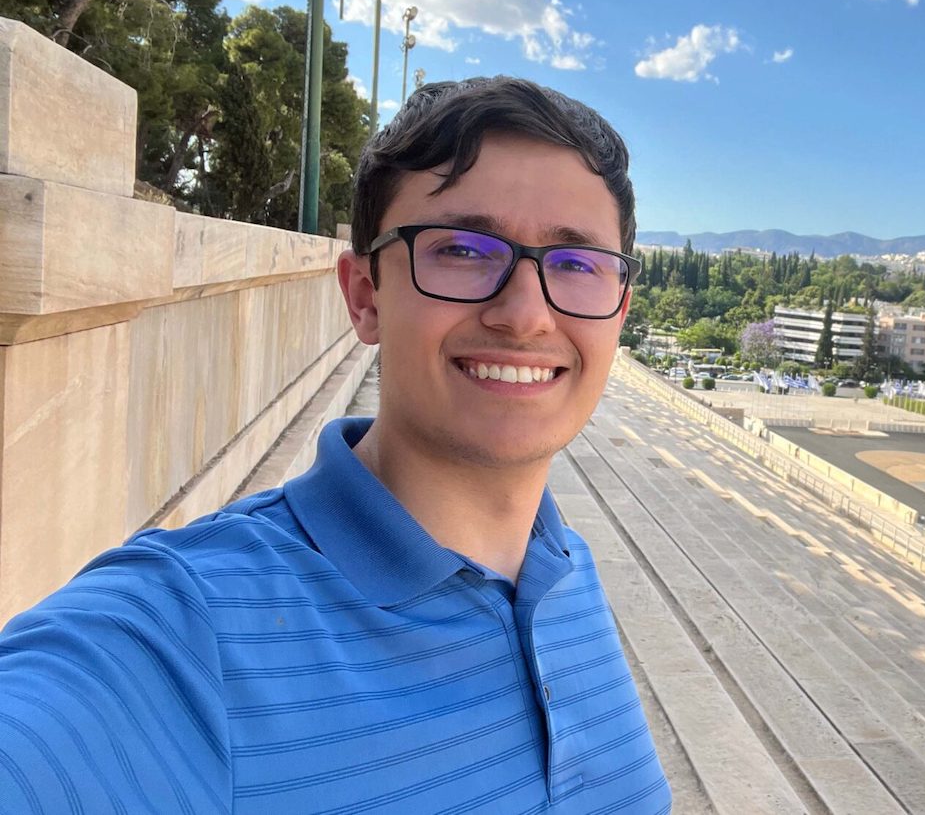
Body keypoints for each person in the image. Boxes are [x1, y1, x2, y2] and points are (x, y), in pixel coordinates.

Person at [0, 77, 670, 812]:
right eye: (461, 250)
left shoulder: (566, 570)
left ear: (620, 310)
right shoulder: (184, 632)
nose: (524, 315)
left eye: (576, 265)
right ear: (364, 296)